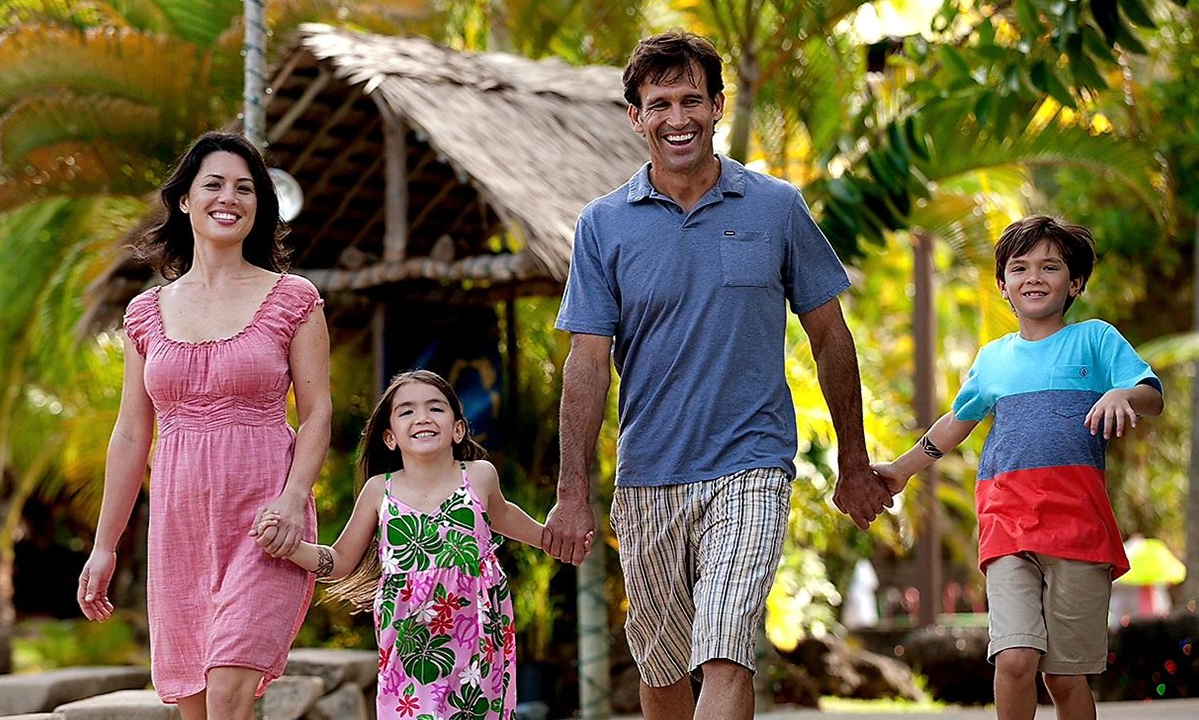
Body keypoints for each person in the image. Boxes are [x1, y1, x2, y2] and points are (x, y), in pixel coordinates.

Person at [542, 30, 893, 720]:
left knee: (727, 646)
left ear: (719, 105)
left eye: (692, 100)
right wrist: (571, 490)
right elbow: (586, 364)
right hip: (649, 475)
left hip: (752, 462)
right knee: (663, 664)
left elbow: (829, 335)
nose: (678, 117)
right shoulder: (603, 225)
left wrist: (853, 460)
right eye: (660, 103)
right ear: (636, 117)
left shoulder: (776, 206)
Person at [76, 131, 331, 720]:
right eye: (213, 184)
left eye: (246, 188)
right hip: (179, 530)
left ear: (260, 207)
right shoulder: (146, 312)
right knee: (195, 706)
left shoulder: (294, 299)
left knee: (227, 693)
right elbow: (131, 435)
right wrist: (104, 546)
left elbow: (317, 412)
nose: (229, 197)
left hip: (266, 524)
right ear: (185, 200)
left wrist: (294, 501)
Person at [872, 215, 1164, 720]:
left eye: (1050, 267)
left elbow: (1151, 396)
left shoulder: (1095, 340)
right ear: (1003, 286)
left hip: (1078, 529)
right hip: (1007, 523)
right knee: (1014, 657)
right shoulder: (992, 359)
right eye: (1019, 267)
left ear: (1074, 283)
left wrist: (1122, 392)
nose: (1034, 277)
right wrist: (901, 469)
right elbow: (954, 424)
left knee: (1065, 676)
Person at [252, 370, 586, 719]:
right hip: (410, 644)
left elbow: (506, 517)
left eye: (436, 408)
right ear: (390, 437)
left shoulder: (479, 476)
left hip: (477, 638)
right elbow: (339, 560)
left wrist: (557, 540)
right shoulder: (380, 491)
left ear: (458, 429)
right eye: (407, 411)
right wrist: (291, 547)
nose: (422, 417)